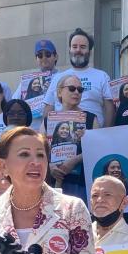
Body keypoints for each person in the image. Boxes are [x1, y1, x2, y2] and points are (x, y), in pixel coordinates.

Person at [44, 72, 100, 202]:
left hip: (81, 183)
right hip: (54, 181)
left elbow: (97, 149)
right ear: (59, 92)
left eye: (80, 90)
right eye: (72, 88)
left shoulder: (91, 119)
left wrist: (74, 161)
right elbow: (41, 148)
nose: (76, 92)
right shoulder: (49, 120)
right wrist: (50, 166)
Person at [49, 29, 115, 126]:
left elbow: (110, 108)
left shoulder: (102, 76)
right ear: (70, 49)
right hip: (61, 133)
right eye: (74, 46)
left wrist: (105, 134)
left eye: (83, 47)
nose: (78, 50)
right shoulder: (57, 78)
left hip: (93, 133)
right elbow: (48, 108)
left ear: (89, 51)